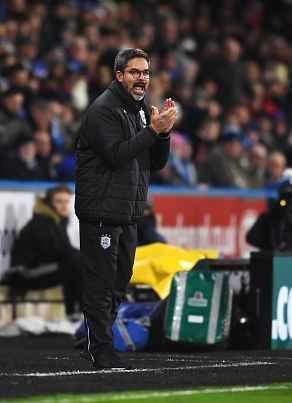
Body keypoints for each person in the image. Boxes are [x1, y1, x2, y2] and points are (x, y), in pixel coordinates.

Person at [75, 48, 175, 370]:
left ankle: (100, 343)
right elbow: (116, 155)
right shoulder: (103, 109)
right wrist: (152, 132)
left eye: (145, 73)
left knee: (119, 285)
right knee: (101, 285)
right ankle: (100, 349)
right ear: (119, 75)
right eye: (134, 72)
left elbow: (156, 162)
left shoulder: (142, 110)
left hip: (128, 213)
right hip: (101, 212)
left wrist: (164, 134)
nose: (141, 78)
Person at [3, 185, 81, 317]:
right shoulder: (41, 223)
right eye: (59, 202)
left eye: (66, 201)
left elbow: (65, 251)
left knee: (79, 263)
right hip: (24, 272)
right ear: (49, 203)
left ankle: (77, 313)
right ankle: (73, 314)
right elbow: (53, 253)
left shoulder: (58, 221)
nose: (64, 206)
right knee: (74, 263)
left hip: (43, 267)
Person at [246, 169, 292, 252]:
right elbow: (252, 238)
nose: (290, 197)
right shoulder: (271, 215)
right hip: (274, 262)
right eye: (286, 193)